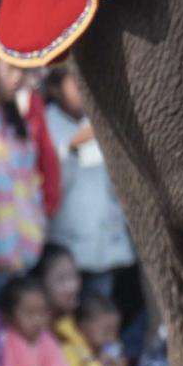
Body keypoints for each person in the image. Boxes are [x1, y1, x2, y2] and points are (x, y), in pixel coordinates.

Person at [41, 65, 141, 323]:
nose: (83, 92)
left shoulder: (95, 120)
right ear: (54, 88)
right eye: (74, 83)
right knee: (65, 319)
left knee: (98, 318)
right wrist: (72, 149)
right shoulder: (46, 122)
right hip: (67, 245)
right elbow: (51, 187)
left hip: (104, 244)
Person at [0, 46, 47, 280]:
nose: (17, 76)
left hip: (23, 249)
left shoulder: (18, 119)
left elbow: (30, 181)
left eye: (22, 70)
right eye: (10, 68)